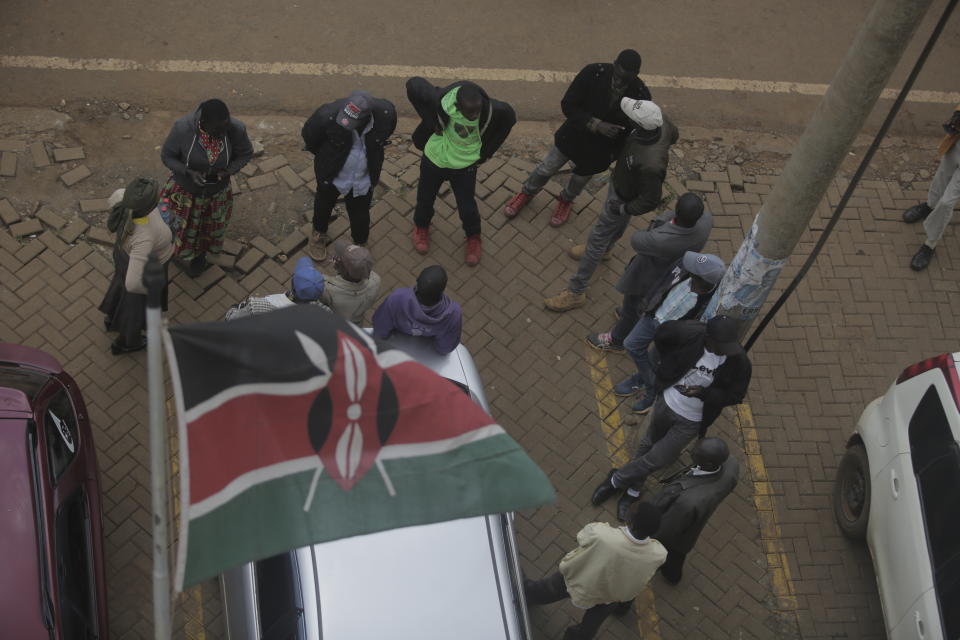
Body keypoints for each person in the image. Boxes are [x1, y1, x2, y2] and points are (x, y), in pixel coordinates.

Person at [591, 316, 751, 520]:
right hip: (666, 402)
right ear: (708, 338)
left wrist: (703, 393)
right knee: (647, 444)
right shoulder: (690, 334)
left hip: (692, 420)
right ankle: (634, 490)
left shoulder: (739, 361)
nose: (726, 351)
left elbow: (735, 396)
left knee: (659, 458)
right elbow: (662, 335)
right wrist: (666, 367)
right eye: (721, 346)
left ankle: (615, 481)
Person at [544, 98, 679, 312]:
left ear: (639, 126)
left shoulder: (651, 164)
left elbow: (650, 199)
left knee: (596, 239)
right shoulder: (661, 123)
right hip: (621, 187)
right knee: (613, 230)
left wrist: (623, 208)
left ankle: (576, 291)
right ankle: (606, 250)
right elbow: (674, 134)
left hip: (622, 199)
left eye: (631, 118)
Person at [504, 49, 651, 227]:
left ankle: (566, 200)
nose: (619, 81)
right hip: (573, 137)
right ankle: (527, 192)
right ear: (614, 64)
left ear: (636, 74)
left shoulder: (641, 96)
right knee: (546, 168)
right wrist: (596, 124)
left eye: (626, 78)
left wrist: (615, 154)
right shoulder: (593, 73)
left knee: (579, 180)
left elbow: (634, 132)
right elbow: (568, 105)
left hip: (600, 150)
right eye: (618, 75)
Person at [406, 77, 516, 265]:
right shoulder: (440, 99)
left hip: (464, 167)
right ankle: (421, 226)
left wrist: (486, 153)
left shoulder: (495, 110)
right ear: (457, 105)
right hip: (434, 161)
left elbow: (509, 120)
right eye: (469, 114)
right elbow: (413, 84)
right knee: (425, 198)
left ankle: (473, 237)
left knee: (467, 206)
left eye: (477, 113)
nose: (474, 117)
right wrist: (430, 119)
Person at [586, 194, 713, 356]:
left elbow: (637, 239)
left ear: (677, 211)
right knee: (634, 308)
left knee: (633, 306)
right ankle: (629, 318)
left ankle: (616, 341)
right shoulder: (707, 221)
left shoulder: (660, 240)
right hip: (674, 273)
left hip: (649, 277)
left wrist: (665, 219)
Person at [523, 502, 666, 640]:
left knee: (549, 589)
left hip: (582, 579)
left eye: (631, 511)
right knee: (591, 625)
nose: (628, 510)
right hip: (610, 597)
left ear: (632, 523)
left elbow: (583, 536)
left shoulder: (603, 536)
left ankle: (528, 594)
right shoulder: (659, 553)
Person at [609, 252, 727, 415]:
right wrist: (648, 303)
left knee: (654, 359)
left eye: (694, 269)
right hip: (653, 316)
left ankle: (641, 381)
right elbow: (662, 283)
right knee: (631, 345)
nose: (688, 266)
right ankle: (652, 386)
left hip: (672, 335)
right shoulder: (683, 268)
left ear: (702, 279)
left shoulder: (711, 301)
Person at [159, 98, 253, 277]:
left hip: (216, 195)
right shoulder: (183, 128)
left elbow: (245, 153)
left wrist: (228, 171)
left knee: (206, 230)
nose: (222, 134)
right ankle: (168, 248)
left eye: (225, 129)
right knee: (174, 225)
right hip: (184, 193)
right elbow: (167, 156)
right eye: (217, 130)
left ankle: (198, 256)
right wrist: (188, 172)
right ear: (203, 123)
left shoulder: (235, 129)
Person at [301, 91, 397, 260]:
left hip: (363, 179)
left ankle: (360, 242)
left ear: (367, 118)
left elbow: (386, 134)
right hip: (331, 175)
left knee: (360, 213)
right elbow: (310, 138)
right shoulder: (328, 115)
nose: (346, 124)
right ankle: (319, 233)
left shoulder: (386, 113)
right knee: (323, 204)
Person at [647, 437, 739, 584]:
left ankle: (670, 575)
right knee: (677, 559)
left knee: (669, 555)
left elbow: (666, 533)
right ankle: (673, 575)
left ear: (708, 463)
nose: (691, 452)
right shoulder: (731, 464)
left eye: (695, 454)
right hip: (691, 527)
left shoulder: (687, 502)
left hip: (679, 534)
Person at [99, 178, 174, 355]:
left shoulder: (124, 198)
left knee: (120, 289)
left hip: (124, 256)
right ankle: (127, 343)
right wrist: (151, 291)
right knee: (134, 310)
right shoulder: (144, 236)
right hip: (143, 272)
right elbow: (133, 284)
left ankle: (112, 318)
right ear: (148, 206)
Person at [901, 105, 960, 271]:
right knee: (941, 177)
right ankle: (929, 206)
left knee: (947, 203)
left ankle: (930, 244)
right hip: (956, 144)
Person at [372, 265, 462, 355]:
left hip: (394, 349)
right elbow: (445, 347)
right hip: (425, 355)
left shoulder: (397, 298)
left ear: (417, 281)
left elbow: (380, 328)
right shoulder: (453, 314)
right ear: (443, 289)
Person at [225, 257, 330, 320]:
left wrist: (235, 307)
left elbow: (232, 318)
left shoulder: (258, 306)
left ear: (293, 284)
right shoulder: (325, 313)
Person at [319, 241, 381, 323]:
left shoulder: (329, 289)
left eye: (339, 260)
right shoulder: (376, 280)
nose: (335, 259)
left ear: (346, 271)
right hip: (357, 320)